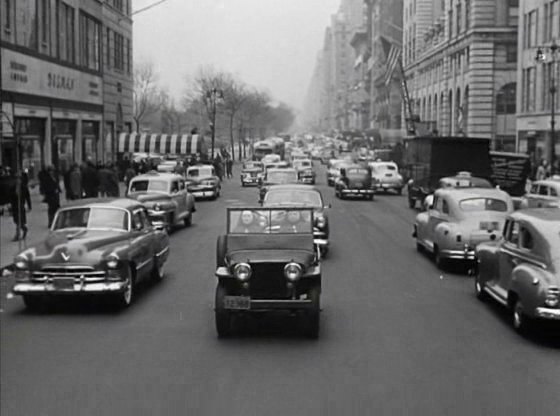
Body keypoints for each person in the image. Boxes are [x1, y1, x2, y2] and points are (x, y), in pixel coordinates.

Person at [9, 171, 31, 241]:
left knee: (19, 220)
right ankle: (24, 229)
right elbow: (10, 197)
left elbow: (27, 197)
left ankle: (17, 235)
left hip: (21, 205)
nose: (18, 180)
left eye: (19, 178)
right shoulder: (13, 187)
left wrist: (29, 206)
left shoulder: (24, 187)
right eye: (16, 179)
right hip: (15, 206)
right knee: (16, 221)